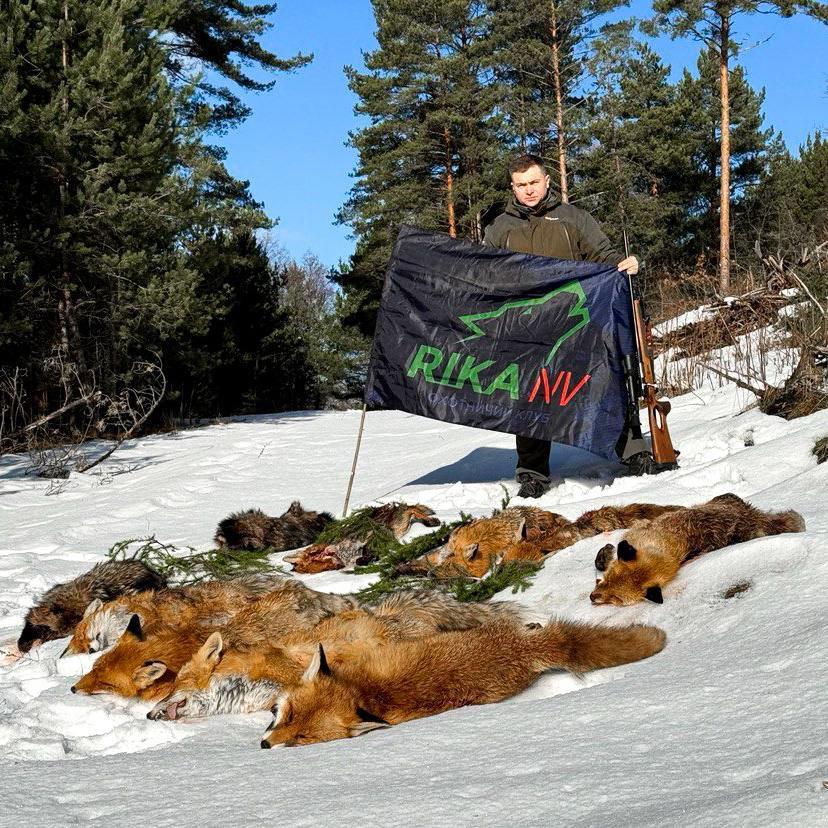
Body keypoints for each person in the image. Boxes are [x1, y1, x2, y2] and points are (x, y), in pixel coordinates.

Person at [483, 153, 639, 499]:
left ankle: (632, 450)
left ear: (547, 181)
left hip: (576, 322)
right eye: (521, 185)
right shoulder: (499, 228)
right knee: (531, 394)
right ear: (512, 187)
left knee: (602, 381)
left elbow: (602, 253)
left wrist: (622, 263)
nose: (529, 191)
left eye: (534, 183)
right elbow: (486, 273)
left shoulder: (572, 218)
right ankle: (533, 472)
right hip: (527, 330)